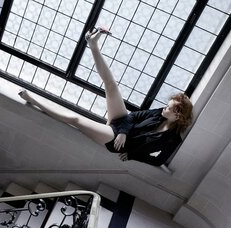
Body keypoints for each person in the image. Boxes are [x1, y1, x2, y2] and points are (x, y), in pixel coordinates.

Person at [18, 28, 193, 166]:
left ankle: (33, 100)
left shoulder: (173, 139)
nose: (164, 107)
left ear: (178, 116)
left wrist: (132, 155)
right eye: (167, 105)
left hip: (114, 140)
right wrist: (124, 131)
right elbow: (132, 116)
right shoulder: (158, 113)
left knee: (76, 120)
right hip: (122, 124)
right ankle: (92, 44)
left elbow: (158, 160)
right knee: (111, 85)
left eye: (169, 108)